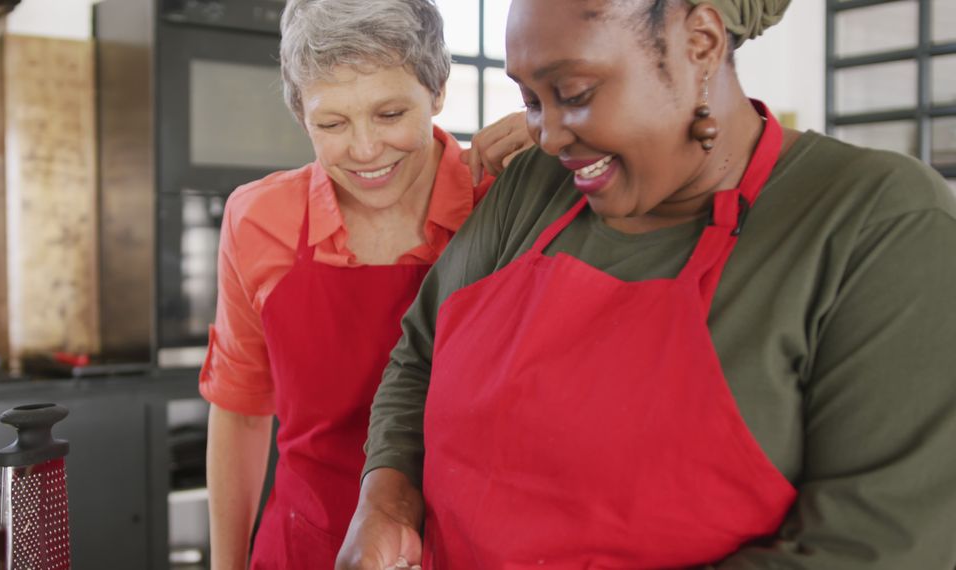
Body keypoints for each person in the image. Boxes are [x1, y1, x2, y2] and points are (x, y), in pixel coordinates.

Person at [337, 0, 956, 568]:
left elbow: (874, 547)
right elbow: (420, 353)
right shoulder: (533, 189)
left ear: (702, 43)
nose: (547, 135)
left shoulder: (875, 224)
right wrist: (387, 501)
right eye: (531, 100)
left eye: (574, 93)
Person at [197, 0, 533, 568]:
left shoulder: (506, 200)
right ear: (301, 115)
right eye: (331, 123)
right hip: (306, 547)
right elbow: (241, 409)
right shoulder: (258, 220)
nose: (365, 149)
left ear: (438, 91)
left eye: (390, 114)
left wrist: (567, 128)